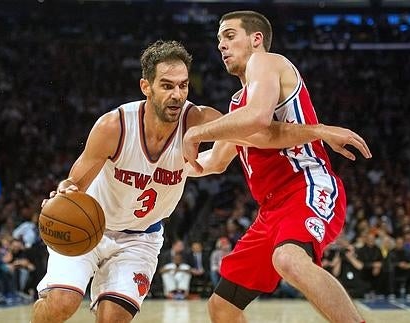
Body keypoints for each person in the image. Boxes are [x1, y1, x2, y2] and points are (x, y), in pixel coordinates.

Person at [31, 40, 370, 323]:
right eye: (167, 86)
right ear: (146, 86)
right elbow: (75, 180)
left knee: (112, 319)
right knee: (62, 303)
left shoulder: (202, 120)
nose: (177, 94)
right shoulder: (113, 126)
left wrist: (319, 131)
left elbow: (262, 135)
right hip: (92, 228)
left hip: (141, 239)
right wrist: (63, 193)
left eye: (183, 85)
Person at [183, 11, 370, 322]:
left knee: (288, 259)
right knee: (222, 307)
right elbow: (214, 162)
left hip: (307, 186)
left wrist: (197, 132)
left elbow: (258, 117)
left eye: (230, 36)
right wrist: (165, 168)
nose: (221, 46)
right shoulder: (236, 105)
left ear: (256, 40)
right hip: (270, 211)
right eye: (219, 40)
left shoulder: (267, 61)